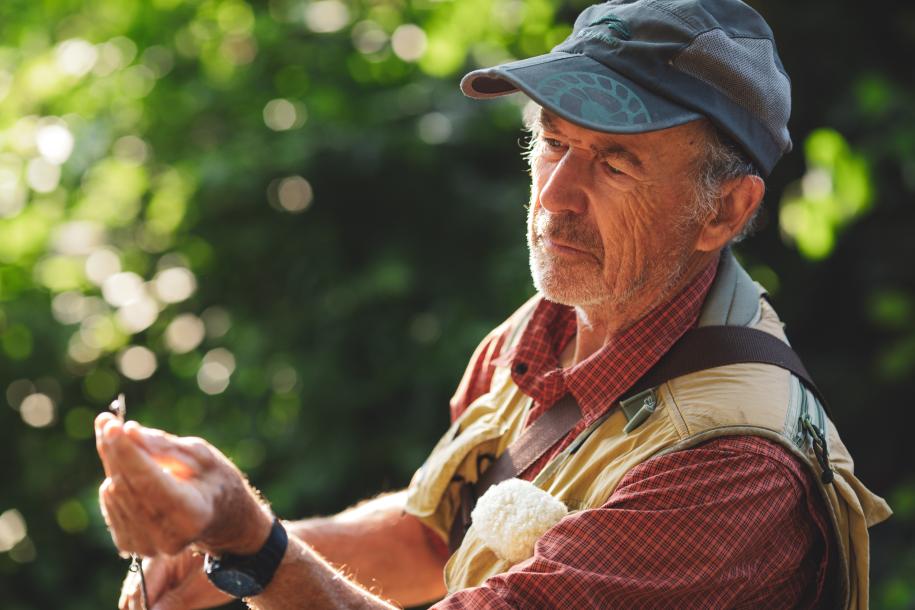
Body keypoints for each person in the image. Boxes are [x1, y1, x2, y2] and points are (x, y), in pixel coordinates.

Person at [97, 0, 892, 608]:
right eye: (552, 141)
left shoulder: (731, 470)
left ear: (723, 211)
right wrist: (214, 553)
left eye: (615, 163)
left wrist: (254, 541)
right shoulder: (550, 325)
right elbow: (431, 537)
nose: (555, 197)